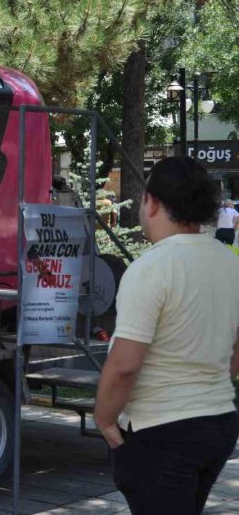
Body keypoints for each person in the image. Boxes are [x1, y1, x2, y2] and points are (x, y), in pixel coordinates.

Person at [94, 157, 239, 515]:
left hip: (160, 429)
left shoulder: (151, 268)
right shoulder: (230, 262)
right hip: (219, 420)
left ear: (152, 201)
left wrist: (105, 420)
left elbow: (125, 365)